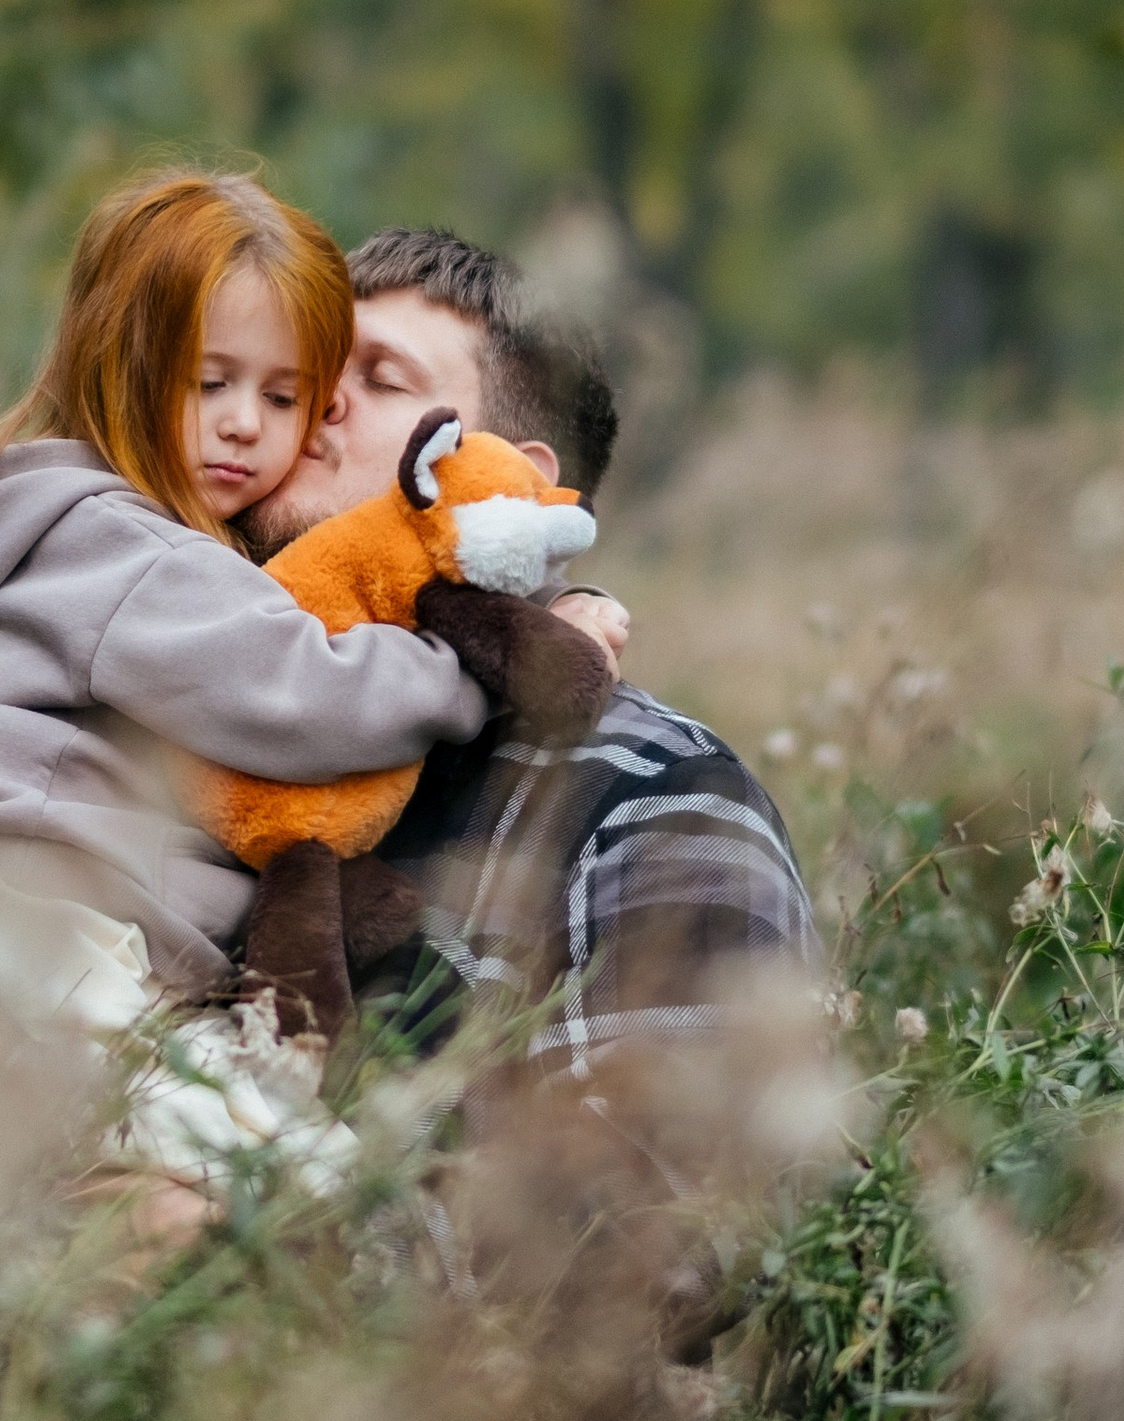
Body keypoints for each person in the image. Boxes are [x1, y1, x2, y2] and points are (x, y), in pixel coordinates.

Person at [0, 171, 515, 1190]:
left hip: (32, 951)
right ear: (120, 366)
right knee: (294, 1187)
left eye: (283, 396)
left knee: (207, 1193)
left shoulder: (90, 540)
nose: (245, 424)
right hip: (32, 944)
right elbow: (306, 694)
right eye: (209, 383)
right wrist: (473, 662)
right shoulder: (123, 555)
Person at [246, 227, 817, 1074]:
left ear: (506, 482)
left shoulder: (655, 804)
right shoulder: (187, 717)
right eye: (315, 367)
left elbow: (674, 1193)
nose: (314, 399)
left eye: (380, 377)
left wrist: (238, 1206)